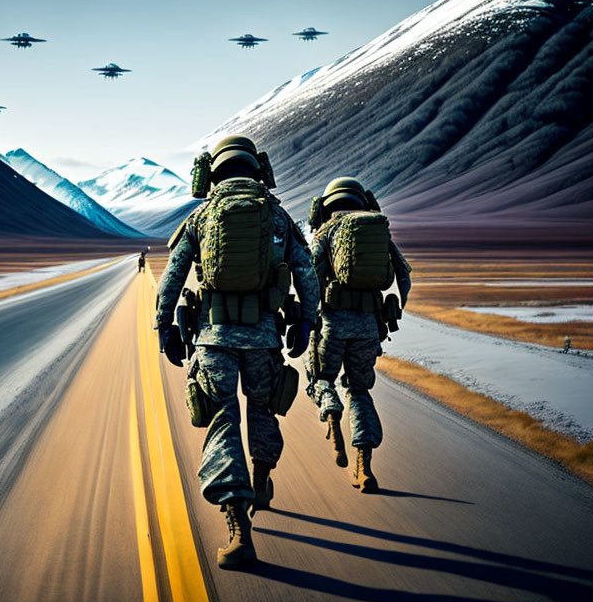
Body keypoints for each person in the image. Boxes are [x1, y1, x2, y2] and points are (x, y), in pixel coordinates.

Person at [156, 135, 319, 569]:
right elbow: (306, 273)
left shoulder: (202, 216)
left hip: (214, 340)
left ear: (213, 174)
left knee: (223, 422)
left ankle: (238, 530)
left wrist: (164, 326)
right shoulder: (278, 217)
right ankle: (261, 480)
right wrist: (306, 320)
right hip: (264, 338)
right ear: (256, 170)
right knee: (263, 410)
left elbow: (172, 276)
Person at [306, 177, 411, 493]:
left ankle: (331, 415)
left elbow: (309, 274)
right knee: (360, 390)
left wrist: (306, 317)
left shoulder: (326, 232)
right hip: (368, 328)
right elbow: (403, 273)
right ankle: (363, 468)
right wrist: (398, 308)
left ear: (328, 205)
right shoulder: (378, 231)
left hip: (332, 326)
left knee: (322, 380)